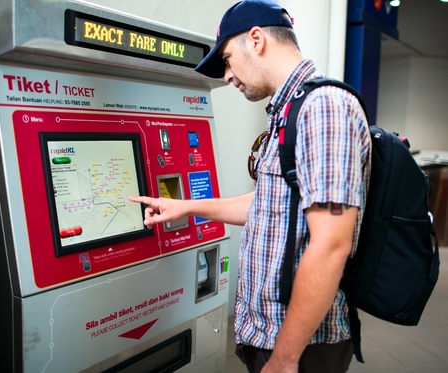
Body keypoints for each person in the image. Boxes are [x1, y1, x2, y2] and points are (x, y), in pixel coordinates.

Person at [129, 0, 371, 372]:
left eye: (226, 59)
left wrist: (286, 358)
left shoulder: (323, 108)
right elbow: (269, 204)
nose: (226, 75)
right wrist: (188, 207)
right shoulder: (291, 109)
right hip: (270, 336)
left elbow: (331, 243)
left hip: (302, 347)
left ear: (256, 39)